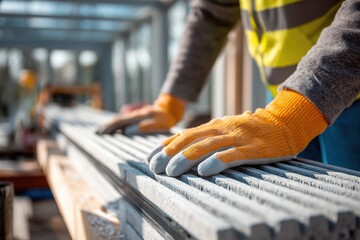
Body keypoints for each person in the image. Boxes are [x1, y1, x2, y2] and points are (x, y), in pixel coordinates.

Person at [97, 0, 360, 176]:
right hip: (283, 100)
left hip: (350, 94)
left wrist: (293, 115)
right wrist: (170, 102)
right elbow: (212, 13)